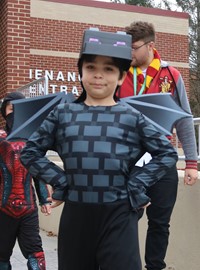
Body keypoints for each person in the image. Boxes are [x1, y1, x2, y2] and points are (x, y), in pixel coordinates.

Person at [20, 28, 178, 270]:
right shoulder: (62, 114)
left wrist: (136, 185)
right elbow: (30, 152)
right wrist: (61, 181)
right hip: (76, 216)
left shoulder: (132, 116)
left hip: (119, 215)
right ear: (81, 72)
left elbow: (166, 153)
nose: (98, 75)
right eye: (91, 67)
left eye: (108, 69)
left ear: (122, 76)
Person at [118, 21, 198, 270]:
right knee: (125, 218)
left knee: (160, 222)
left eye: (133, 47)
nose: (128, 53)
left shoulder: (171, 76)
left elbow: (184, 119)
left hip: (162, 160)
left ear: (150, 45)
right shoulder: (119, 74)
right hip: (128, 160)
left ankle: (154, 266)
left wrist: (192, 163)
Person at [0, 92, 51, 270]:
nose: (14, 111)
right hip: (2, 207)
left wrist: (45, 198)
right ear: (4, 111)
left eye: (19, 107)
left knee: (35, 253)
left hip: (28, 207)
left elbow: (38, 170)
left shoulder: (33, 139)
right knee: (1, 255)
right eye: (10, 108)